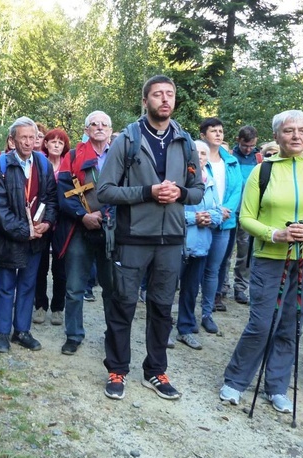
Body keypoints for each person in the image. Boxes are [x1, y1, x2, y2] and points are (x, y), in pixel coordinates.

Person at [219, 110, 303, 413]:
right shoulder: (262, 172)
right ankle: (236, 380)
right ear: (276, 136)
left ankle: (276, 386)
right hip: (270, 257)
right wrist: (273, 234)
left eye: (302, 130)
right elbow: (246, 218)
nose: (296, 136)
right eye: (288, 131)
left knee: (292, 324)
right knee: (261, 324)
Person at [97, 74, 204, 401]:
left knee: (161, 307)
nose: (164, 99)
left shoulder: (185, 142)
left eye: (169, 94)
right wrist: (148, 191)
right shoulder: (126, 139)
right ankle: (117, 369)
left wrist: (180, 192)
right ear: (146, 101)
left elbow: (198, 192)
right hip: (132, 238)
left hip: (171, 239)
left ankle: (155, 371)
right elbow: (105, 191)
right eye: (157, 94)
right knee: (123, 305)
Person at [0, 117, 57, 353]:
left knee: (28, 284)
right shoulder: (1, 166)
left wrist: (46, 224)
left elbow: (50, 199)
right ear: (12, 140)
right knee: (6, 284)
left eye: (33, 137)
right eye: (24, 138)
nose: (29, 142)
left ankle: (22, 331)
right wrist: (24, 230)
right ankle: (1, 332)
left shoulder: (44, 164)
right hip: (10, 238)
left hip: (37, 237)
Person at [55, 111, 114, 355]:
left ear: (111, 130)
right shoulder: (72, 156)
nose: (99, 127)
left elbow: (130, 190)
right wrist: (83, 216)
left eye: (104, 124)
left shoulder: (122, 156)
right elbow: (63, 192)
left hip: (112, 229)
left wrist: (111, 216)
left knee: (112, 288)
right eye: (94, 124)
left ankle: (114, 335)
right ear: (86, 130)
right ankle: (74, 334)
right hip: (80, 228)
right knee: (75, 286)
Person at [175, 140, 222, 350]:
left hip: (201, 245)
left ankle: (185, 329)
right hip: (177, 244)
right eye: (196, 152)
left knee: (191, 290)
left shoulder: (210, 182)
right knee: (166, 289)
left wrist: (209, 218)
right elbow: (169, 212)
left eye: (204, 153)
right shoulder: (177, 180)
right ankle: (162, 329)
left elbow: (219, 211)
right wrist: (195, 218)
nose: (200, 156)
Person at [198, 118, 243, 324]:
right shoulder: (196, 160)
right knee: (191, 268)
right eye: (213, 130)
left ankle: (207, 313)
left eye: (221, 131)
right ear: (202, 135)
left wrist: (227, 211)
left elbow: (236, 190)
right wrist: (211, 212)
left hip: (224, 223)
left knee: (213, 269)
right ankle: (185, 312)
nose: (218, 134)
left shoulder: (231, 162)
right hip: (201, 221)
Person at [33, 128, 70, 326]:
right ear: (45, 144)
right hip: (42, 220)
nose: (56, 145)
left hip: (62, 223)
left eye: (60, 142)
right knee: (40, 266)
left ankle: (58, 308)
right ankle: (40, 305)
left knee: (60, 268)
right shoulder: (39, 163)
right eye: (52, 141)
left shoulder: (68, 165)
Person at [230, 126, 260, 305]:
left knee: (244, 252)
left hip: (248, 212)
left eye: (251, 145)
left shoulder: (259, 160)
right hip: (229, 211)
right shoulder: (229, 157)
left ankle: (240, 287)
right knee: (224, 254)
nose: (248, 149)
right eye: (245, 145)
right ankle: (221, 287)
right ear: (238, 140)